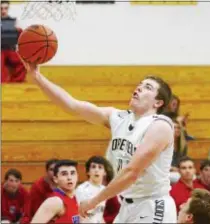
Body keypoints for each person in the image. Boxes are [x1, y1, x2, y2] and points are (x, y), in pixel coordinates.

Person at [18, 59, 176, 223]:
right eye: (140, 84)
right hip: (127, 205)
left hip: (153, 204)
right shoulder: (118, 118)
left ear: (158, 102)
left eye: (147, 87)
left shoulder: (160, 126)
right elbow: (73, 106)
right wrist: (37, 77)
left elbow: (132, 173)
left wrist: (94, 200)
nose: (139, 88)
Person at [31, 159, 79, 223]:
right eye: (64, 174)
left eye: (72, 173)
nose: (69, 177)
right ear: (55, 179)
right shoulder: (55, 201)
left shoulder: (75, 197)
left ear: (77, 176)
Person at [21, 159, 58, 223]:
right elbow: (30, 211)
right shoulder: (38, 186)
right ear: (47, 171)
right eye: (51, 169)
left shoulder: (63, 185)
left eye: (56, 169)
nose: (54, 172)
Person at [75, 156, 107, 223]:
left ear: (104, 172)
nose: (96, 170)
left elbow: (100, 215)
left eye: (100, 167)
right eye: (93, 167)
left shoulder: (105, 190)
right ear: (88, 172)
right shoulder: (81, 189)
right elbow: (78, 213)